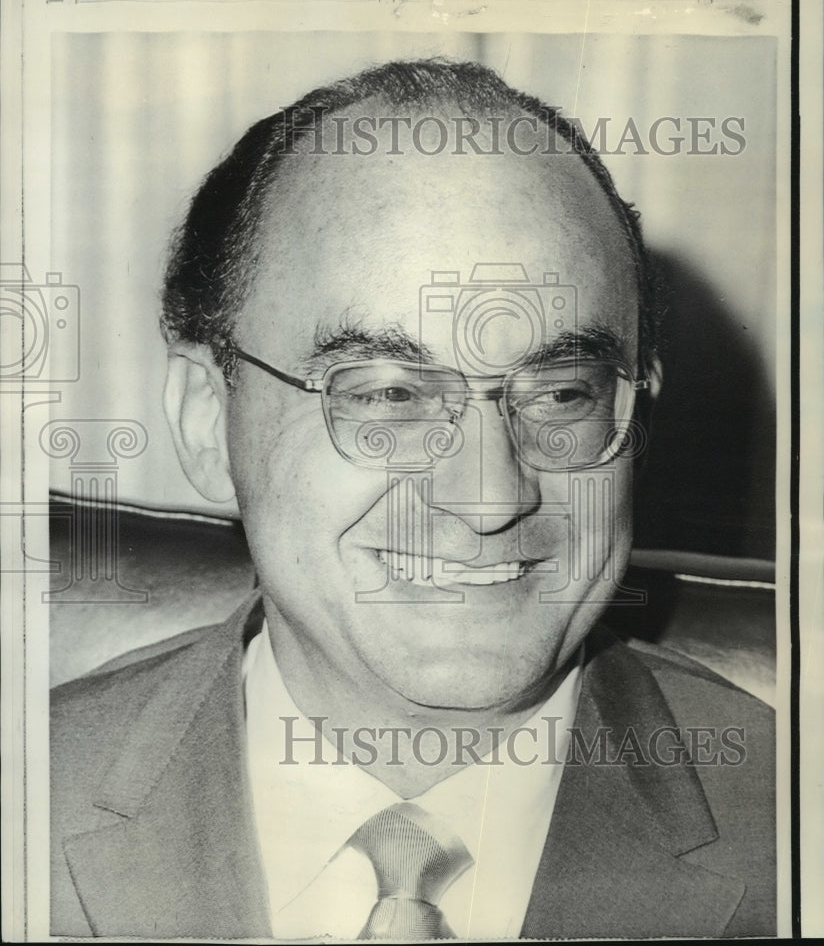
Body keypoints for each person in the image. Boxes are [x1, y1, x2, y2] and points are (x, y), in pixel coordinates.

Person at [50, 58, 775, 939]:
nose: (488, 498)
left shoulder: (787, 828)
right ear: (209, 421)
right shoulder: (32, 801)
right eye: (387, 394)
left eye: (561, 393)